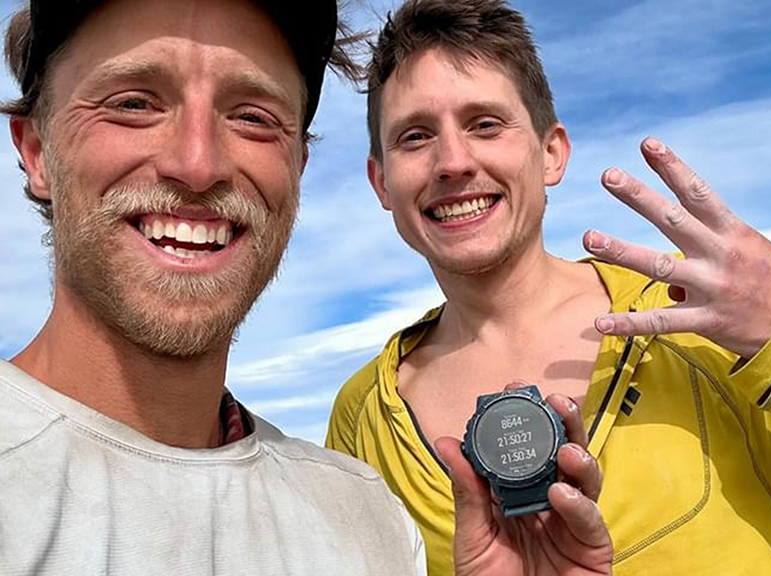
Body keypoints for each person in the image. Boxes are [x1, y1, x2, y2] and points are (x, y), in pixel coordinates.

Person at [0, 1, 613, 575]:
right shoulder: (366, 421)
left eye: (252, 117)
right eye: (134, 103)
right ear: (36, 151)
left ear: (296, 170)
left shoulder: (367, 519)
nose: (198, 163)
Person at [325, 0, 771, 574]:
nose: (453, 161)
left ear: (551, 152)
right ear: (382, 181)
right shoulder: (363, 418)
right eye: (414, 136)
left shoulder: (703, 319)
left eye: (485, 123)